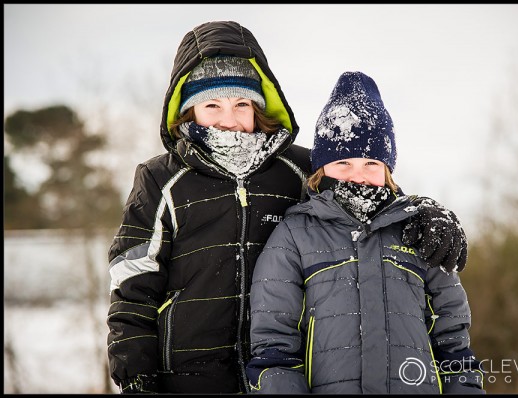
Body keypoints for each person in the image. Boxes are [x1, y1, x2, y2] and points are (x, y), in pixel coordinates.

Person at [106, 21, 471, 394]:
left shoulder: (297, 168)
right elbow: (133, 280)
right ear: (188, 109)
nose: (228, 119)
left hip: (283, 371)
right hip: (188, 375)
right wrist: (136, 373)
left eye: (241, 104)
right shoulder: (160, 179)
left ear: (259, 106)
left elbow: (365, 190)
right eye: (212, 104)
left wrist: (426, 213)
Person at [247, 71, 485, 394]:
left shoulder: (418, 232)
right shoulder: (293, 238)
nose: (358, 176)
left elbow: (454, 341)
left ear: (387, 169)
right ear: (321, 168)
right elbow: (274, 349)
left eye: (371, 164)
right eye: (344, 163)